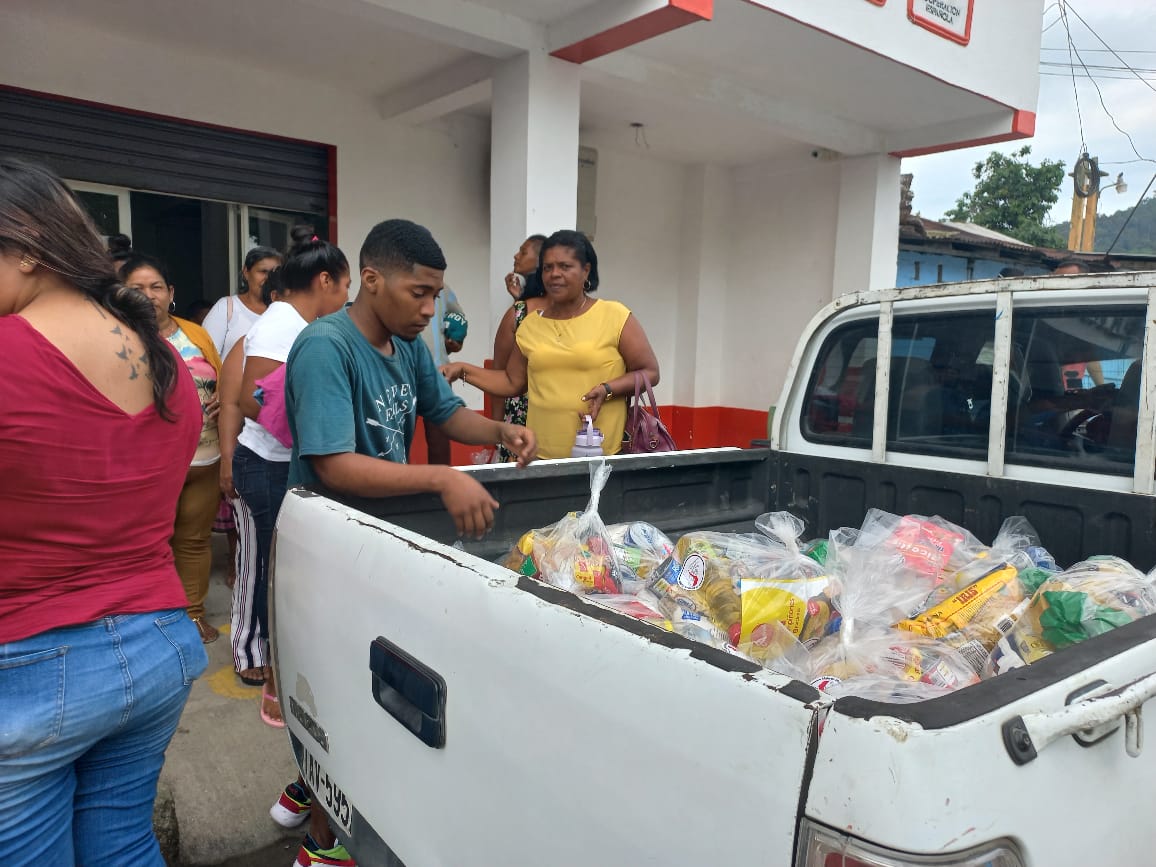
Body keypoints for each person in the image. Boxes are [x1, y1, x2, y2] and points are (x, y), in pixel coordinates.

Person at [276, 218, 535, 864]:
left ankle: (334, 792)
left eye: (435, 295)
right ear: (370, 280)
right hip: (329, 547)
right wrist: (442, 477)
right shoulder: (325, 348)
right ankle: (323, 830)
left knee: (376, 690)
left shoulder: (407, 344)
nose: (430, 309)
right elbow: (334, 465)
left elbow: (444, 411)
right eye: (419, 293)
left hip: (382, 541)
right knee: (333, 690)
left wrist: (500, 434)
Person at [0, 157, 205, 862]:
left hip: (29, 661)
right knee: (122, 846)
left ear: (27, 245)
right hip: (159, 643)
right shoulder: (167, 361)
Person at [233, 238, 351, 726]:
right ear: (324, 280)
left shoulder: (301, 323)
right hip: (267, 463)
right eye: (345, 285)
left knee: (283, 566)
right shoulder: (281, 322)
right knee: (269, 566)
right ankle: (263, 665)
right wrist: (308, 432)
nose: (347, 296)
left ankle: (278, 656)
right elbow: (250, 398)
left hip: (283, 461)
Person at [443, 229, 660, 460]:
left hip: (600, 458)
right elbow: (511, 381)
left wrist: (607, 389)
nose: (554, 274)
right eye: (548, 267)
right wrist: (462, 370)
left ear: (586, 270)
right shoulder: (530, 324)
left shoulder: (614, 315)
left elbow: (650, 372)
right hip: (539, 458)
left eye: (565, 266)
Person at [121, 254, 224, 644]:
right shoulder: (117, 337)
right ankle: (147, 621)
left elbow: (221, 378)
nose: (148, 295)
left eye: (156, 287)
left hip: (205, 460)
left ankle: (193, 615)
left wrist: (223, 397)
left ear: (171, 293)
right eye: (137, 288)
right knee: (147, 544)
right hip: (147, 467)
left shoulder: (196, 335)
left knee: (194, 541)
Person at [201, 247, 283, 595]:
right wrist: (219, 392)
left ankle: (248, 560)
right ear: (246, 272)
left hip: (265, 419)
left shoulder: (283, 314)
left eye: (275, 272)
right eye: (263, 270)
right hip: (228, 408)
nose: (268, 278)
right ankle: (237, 558)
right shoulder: (228, 308)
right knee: (233, 487)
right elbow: (206, 353)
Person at [492, 234, 548, 461]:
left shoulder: (520, 312)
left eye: (524, 252)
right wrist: (496, 430)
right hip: (520, 420)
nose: (516, 256)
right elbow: (499, 375)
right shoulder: (519, 313)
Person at [419, 285, 468, 464]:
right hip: (400, 371)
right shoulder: (398, 284)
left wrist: (455, 341)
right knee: (396, 435)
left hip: (439, 372)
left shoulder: (444, 290)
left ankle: (442, 479)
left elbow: (458, 321)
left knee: (438, 439)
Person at [502, 233, 547, 301]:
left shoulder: (544, 290)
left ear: (540, 259)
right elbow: (525, 308)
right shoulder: (532, 288)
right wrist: (518, 297)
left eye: (523, 253)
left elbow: (528, 308)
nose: (516, 256)